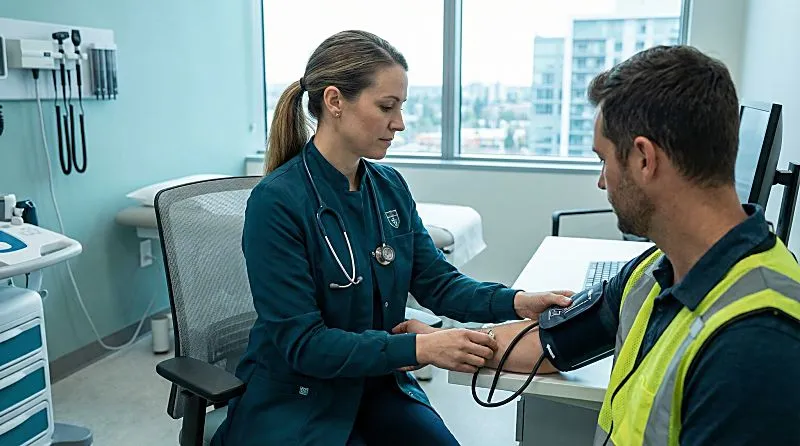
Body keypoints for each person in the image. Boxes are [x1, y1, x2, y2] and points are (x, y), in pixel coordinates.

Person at [396, 45, 800, 445]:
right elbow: (548, 342)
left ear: (644, 159)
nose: (602, 181)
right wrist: (440, 342)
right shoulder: (654, 271)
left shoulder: (757, 343)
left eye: (603, 159)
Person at [210, 30, 573, 446]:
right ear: (334, 102)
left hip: (377, 384)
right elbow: (304, 344)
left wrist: (517, 301)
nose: (399, 123)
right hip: (300, 400)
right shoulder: (277, 202)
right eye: (386, 107)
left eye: (400, 107)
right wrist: (421, 349)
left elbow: (438, 282)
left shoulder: (388, 187)